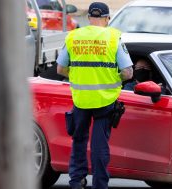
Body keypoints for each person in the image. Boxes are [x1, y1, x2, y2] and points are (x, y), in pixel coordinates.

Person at [56, 2, 133, 189]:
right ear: (107, 19)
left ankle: (76, 182)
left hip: (81, 99)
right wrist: (113, 79)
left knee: (79, 140)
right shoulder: (113, 38)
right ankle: (99, 184)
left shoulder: (73, 36)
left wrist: (78, 76)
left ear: (89, 18)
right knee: (99, 145)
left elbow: (60, 69)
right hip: (105, 100)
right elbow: (128, 73)